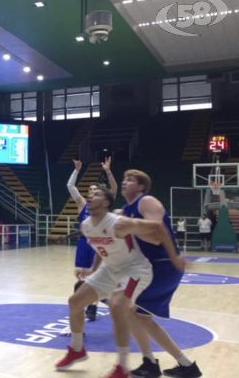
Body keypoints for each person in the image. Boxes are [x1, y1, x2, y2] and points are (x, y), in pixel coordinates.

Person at [55, 187, 174, 378]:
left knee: (118, 306)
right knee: (74, 302)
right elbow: (99, 247)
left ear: (106, 203)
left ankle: (122, 367)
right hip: (109, 270)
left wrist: (174, 258)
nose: (91, 195)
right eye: (90, 194)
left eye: (97, 194)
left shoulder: (120, 222)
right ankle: (77, 349)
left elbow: (157, 227)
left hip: (135, 268)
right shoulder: (86, 225)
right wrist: (93, 270)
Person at [121, 170, 201, 378]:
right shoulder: (127, 209)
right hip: (152, 267)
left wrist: (128, 226)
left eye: (129, 180)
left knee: (128, 309)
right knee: (141, 317)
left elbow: (156, 236)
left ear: (140, 186)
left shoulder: (146, 201)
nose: (124, 182)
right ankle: (185, 366)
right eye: (124, 179)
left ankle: (151, 363)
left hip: (164, 265)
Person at [62, 157, 118, 324]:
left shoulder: (103, 205)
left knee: (95, 277)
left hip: (98, 243)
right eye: (90, 189)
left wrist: (107, 170)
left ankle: (96, 304)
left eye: (95, 189)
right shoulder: (82, 204)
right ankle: (94, 303)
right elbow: (70, 186)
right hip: (82, 244)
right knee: (82, 277)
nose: (92, 191)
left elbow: (114, 188)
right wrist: (77, 170)